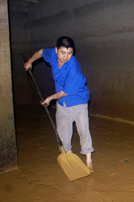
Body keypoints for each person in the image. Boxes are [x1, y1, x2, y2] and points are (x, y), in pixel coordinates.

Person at [24, 36, 94, 171]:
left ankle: (89, 160)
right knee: (62, 131)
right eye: (63, 52)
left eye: (70, 53)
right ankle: (68, 154)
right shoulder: (52, 54)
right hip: (63, 103)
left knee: (83, 131)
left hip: (78, 102)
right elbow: (40, 53)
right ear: (56, 50)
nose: (66, 56)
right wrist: (29, 61)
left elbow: (66, 92)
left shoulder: (73, 68)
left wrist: (50, 99)